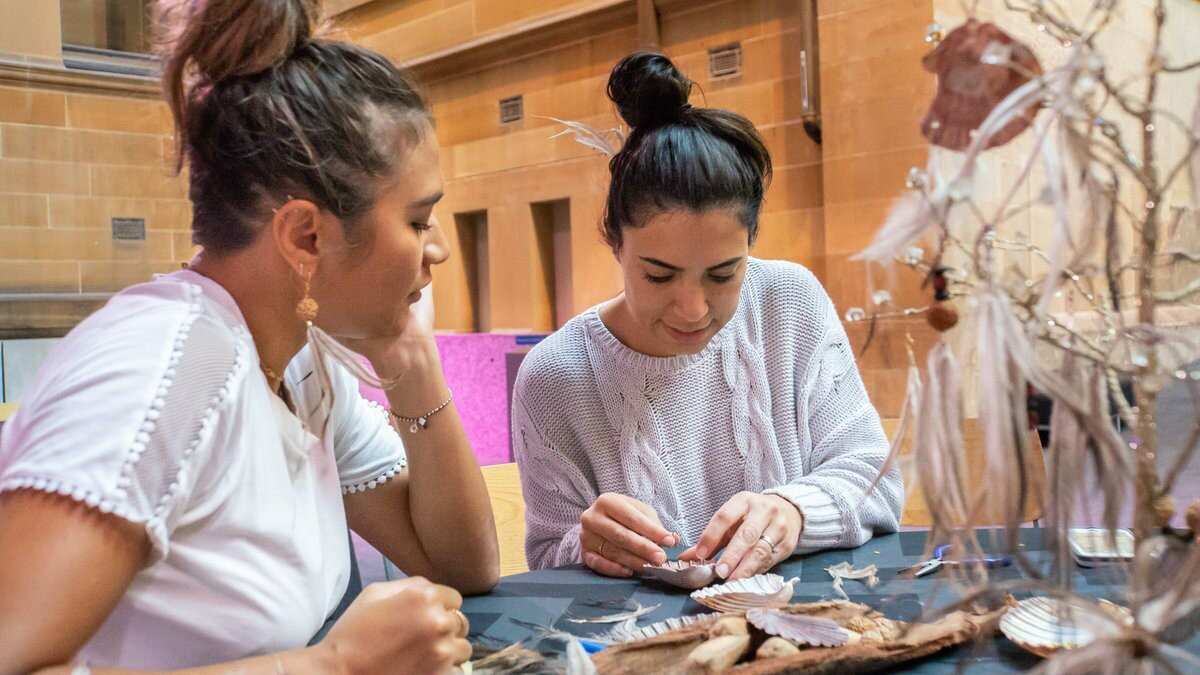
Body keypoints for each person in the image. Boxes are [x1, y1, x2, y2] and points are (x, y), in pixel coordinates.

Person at [0, 1, 498, 672]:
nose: (437, 249)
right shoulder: (171, 367)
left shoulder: (300, 364)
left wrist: (409, 355)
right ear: (306, 236)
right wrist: (334, 664)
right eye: (418, 220)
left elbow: (459, 562)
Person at [512, 51, 902, 581]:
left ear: (751, 246)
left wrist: (795, 510)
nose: (693, 310)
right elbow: (545, 560)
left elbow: (875, 478)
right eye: (659, 275)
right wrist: (586, 545)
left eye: (723, 275)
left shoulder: (788, 302)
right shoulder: (556, 377)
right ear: (614, 243)